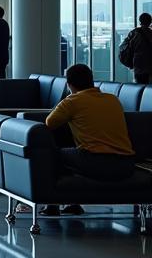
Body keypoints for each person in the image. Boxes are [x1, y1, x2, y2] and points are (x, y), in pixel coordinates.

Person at [39, 63, 136, 216]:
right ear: (92, 81)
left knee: (53, 155)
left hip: (96, 162)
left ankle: (53, 204)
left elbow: (49, 123)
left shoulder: (72, 101)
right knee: (72, 151)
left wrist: (68, 101)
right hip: (126, 165)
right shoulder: (113, 100)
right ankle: (73, 203)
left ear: (69, 84)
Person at [118, 12, 152, 84]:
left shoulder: (134, 33)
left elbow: (122, 46)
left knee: (139, 87)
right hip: (150, 66)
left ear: (140, 22)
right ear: (150, 22)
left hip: (139, 65)